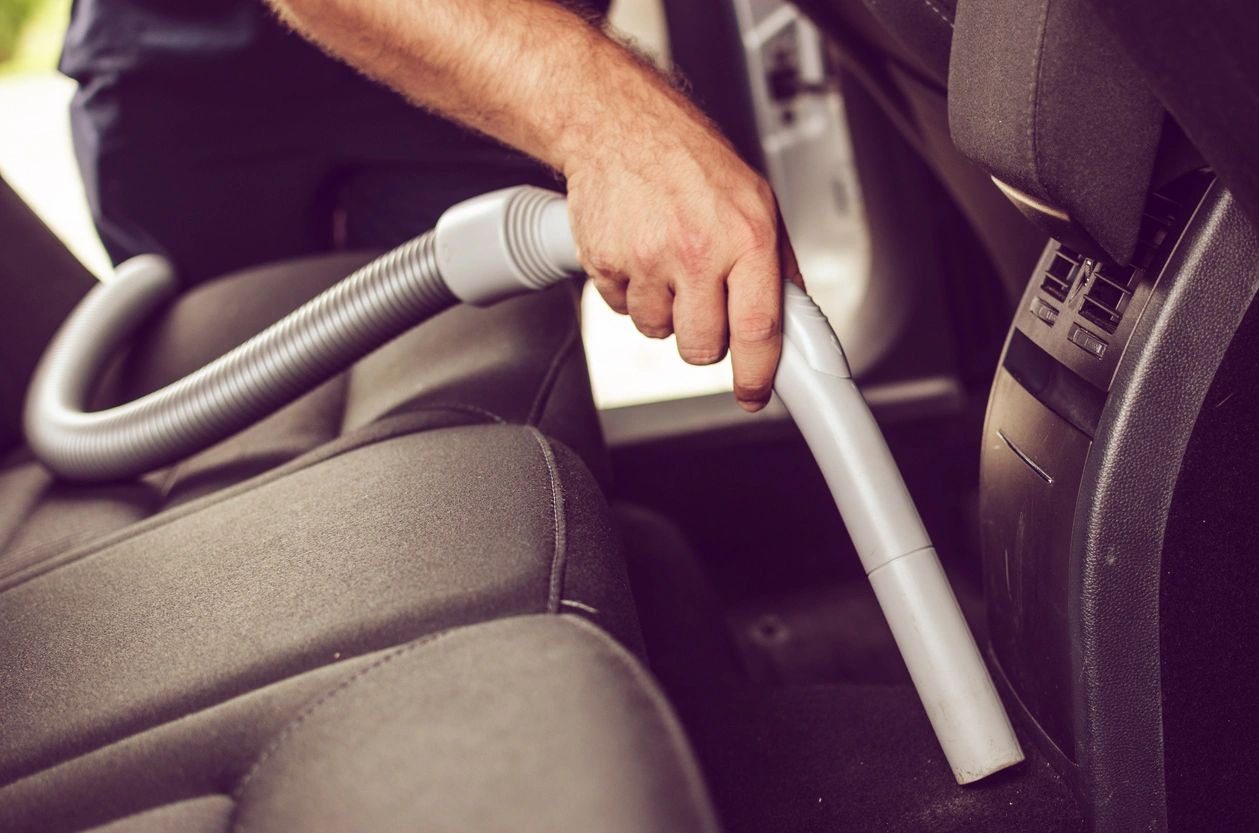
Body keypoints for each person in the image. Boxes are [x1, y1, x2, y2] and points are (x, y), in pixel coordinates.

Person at [61, 0, 801, 413]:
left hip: (488, 61)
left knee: (475, 418)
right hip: (188, 54)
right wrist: (611, 125)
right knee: (222, 416)